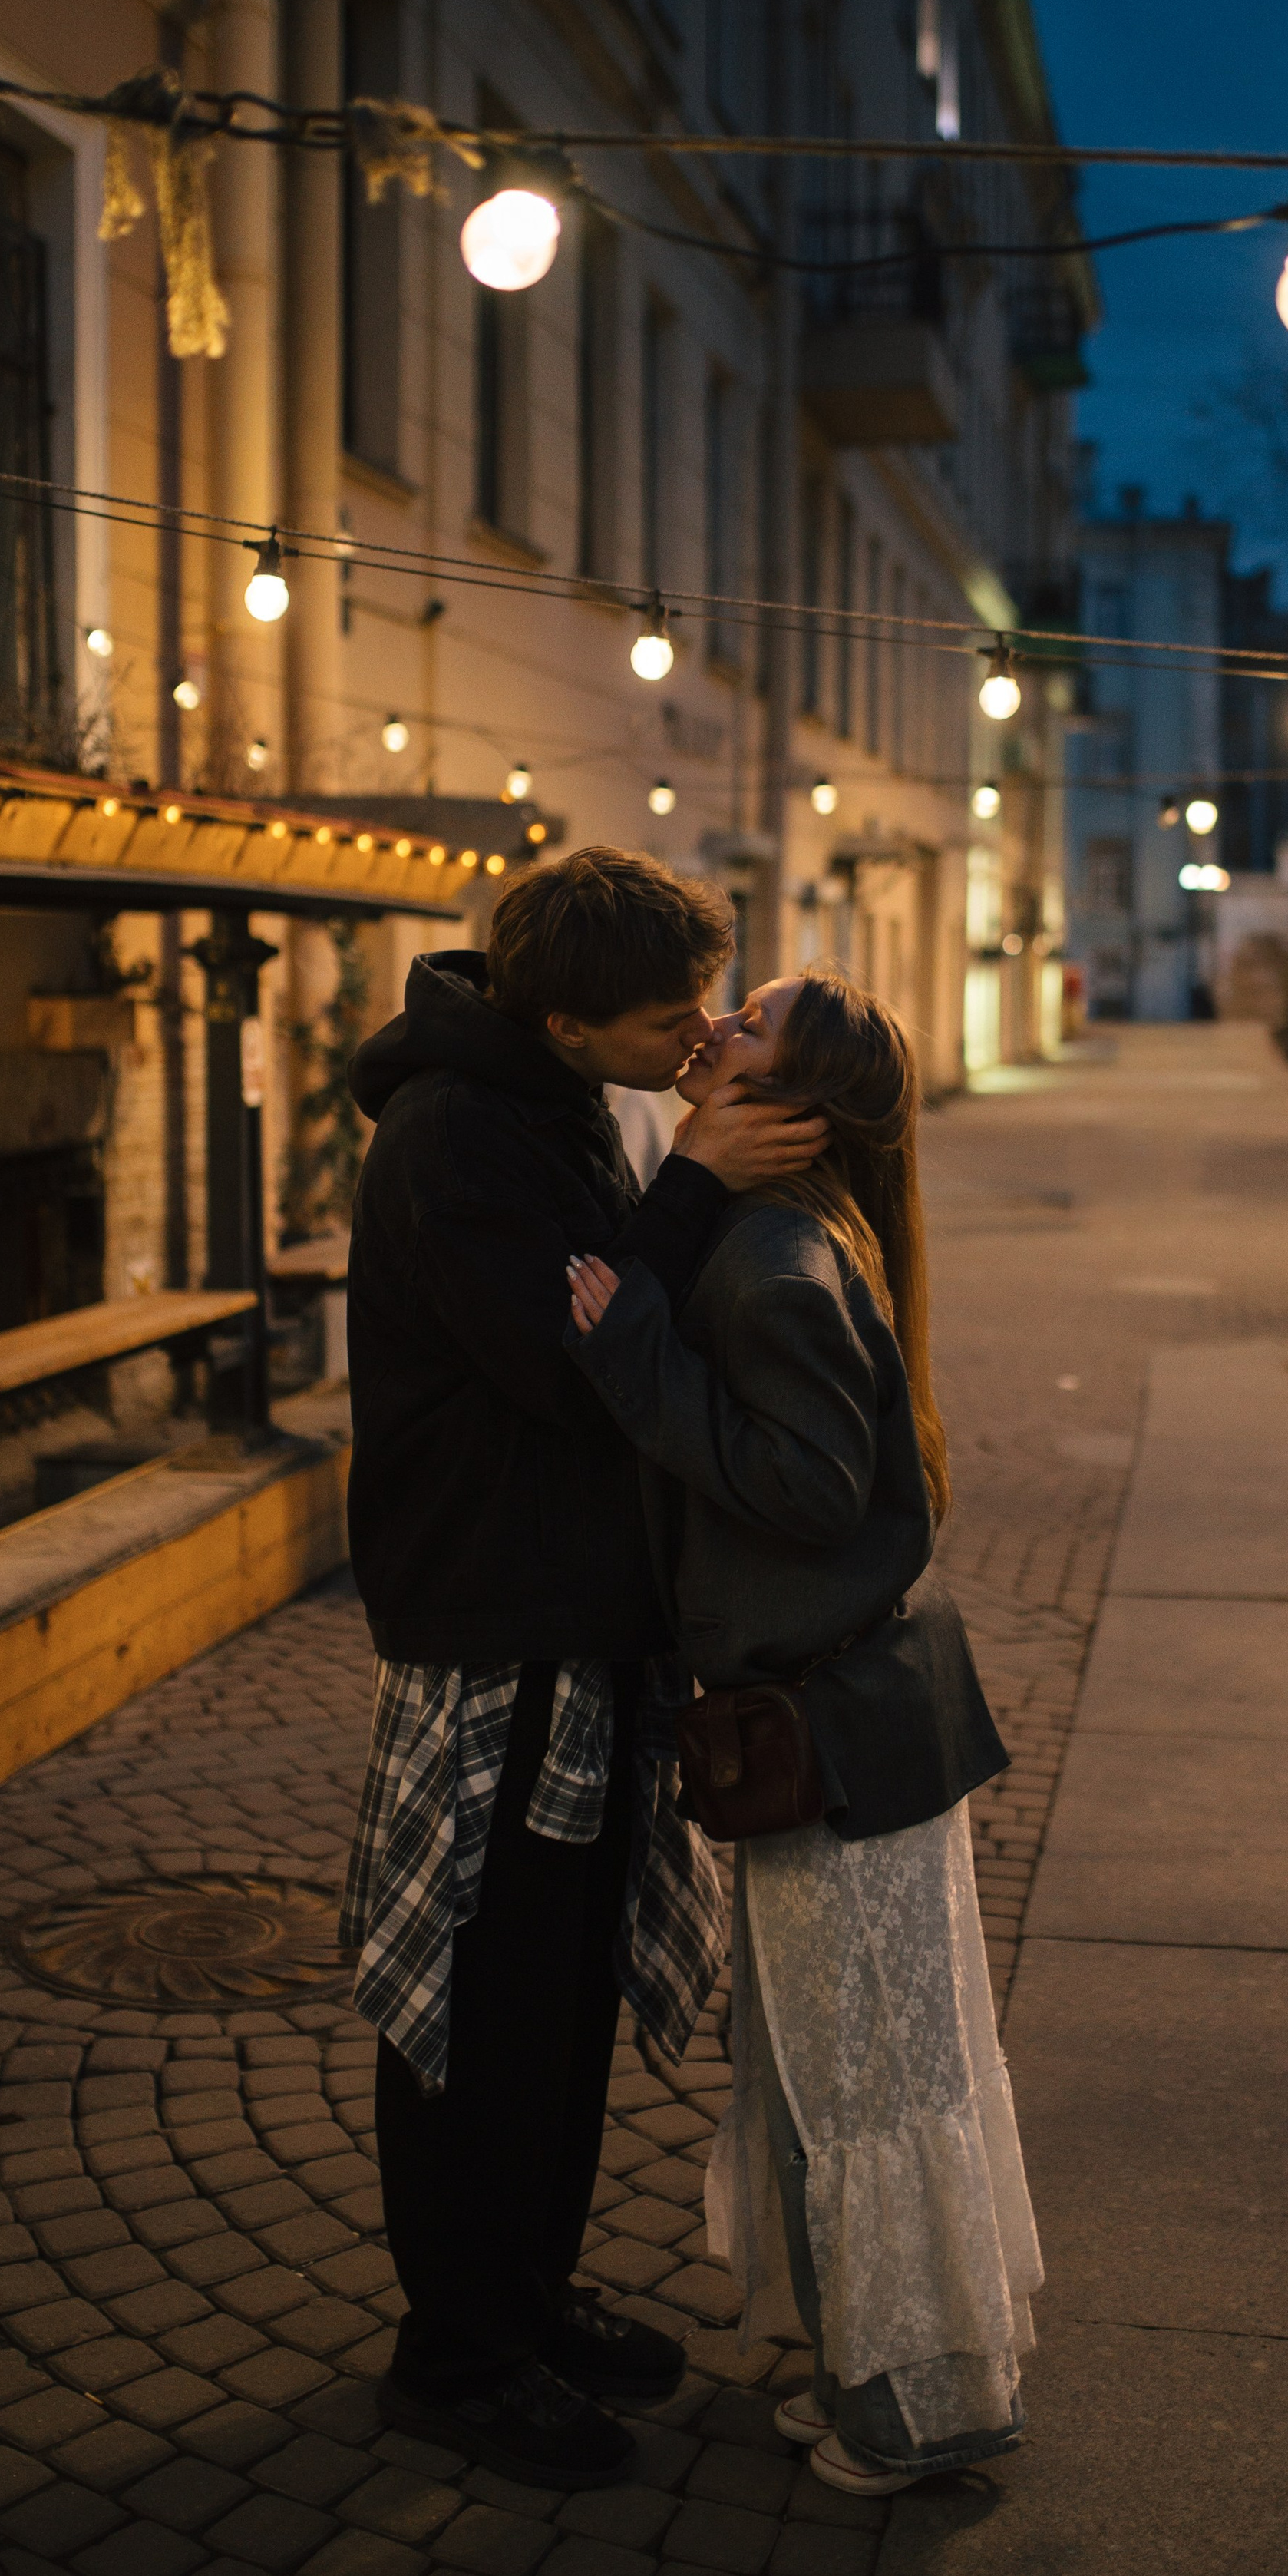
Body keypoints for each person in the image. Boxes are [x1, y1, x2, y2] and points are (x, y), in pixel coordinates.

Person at [339, 848, 827, 2490]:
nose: (694, 1034)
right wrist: (690, 1181)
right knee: (482, 2008)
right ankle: (456, 2354)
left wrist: (672, 1158)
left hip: (571, 1615)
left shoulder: (549, 1099)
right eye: (665, 1013)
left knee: (554, 2011)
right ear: (561, 1018)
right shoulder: (453, 1140)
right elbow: (570, 1366)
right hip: (496, 1629)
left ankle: (528, 2302)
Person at [564, 967, 1043, 2498]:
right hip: (841, 1724)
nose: (711, 1027)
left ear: (799, 1101)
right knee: (852, 2068)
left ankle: (918, 2412)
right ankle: (881, 2368)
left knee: (865, 2079)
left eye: (748, 1023)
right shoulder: (787, 1227)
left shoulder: (772, 1258)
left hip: (827, 1739)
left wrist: (634, 1357)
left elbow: (812, 1492)